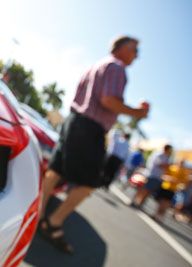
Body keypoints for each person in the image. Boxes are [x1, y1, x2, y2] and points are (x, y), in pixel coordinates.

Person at [39, 36, 149, 253]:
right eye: (135, 50)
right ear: (123, 48)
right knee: (89, 183)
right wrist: (138, 112)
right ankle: (53, 223)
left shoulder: (97, 65)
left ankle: (37, 215)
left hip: (74, 121)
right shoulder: (116, 67)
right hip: (90, 129)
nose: (137, 56)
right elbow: (109, 100)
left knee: (55, 171)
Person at [131, 144, 173, 208]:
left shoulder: (167, 157)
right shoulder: (159, 154)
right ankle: (134, 201)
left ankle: (139, 203)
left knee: (148, 191)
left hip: (157, 177)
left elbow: (166, 166)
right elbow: (159, 164)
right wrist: (166, 165)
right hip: (151, 174)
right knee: (143, 189)